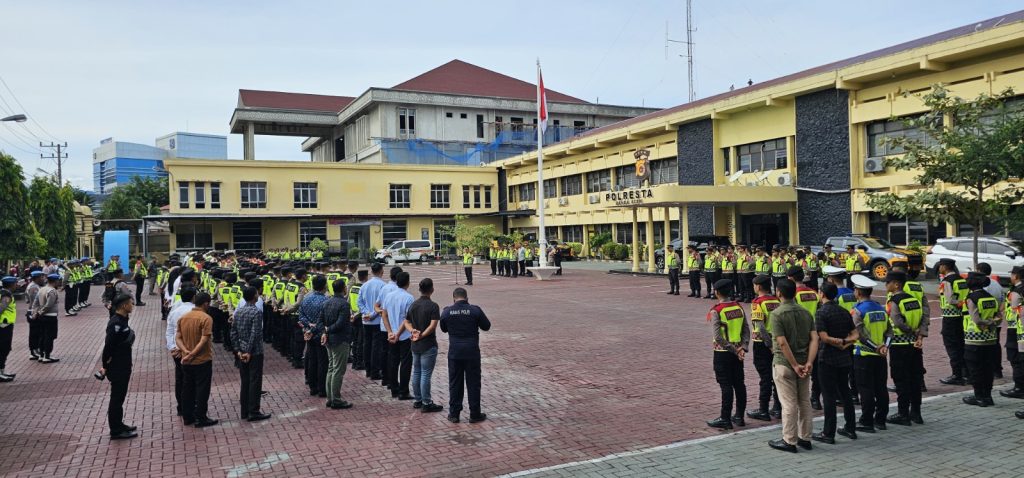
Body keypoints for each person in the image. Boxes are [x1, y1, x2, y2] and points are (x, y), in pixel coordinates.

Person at [767, 278, 818, 454]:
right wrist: (809, 362)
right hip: (805, 362)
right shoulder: (805, 313)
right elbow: (814, 339)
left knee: (788, 403)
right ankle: (806, 437)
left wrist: (794, 364)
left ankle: (789, 440)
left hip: (785, 364)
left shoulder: (777, 314)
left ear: (779, 293)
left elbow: (781, 342)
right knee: (804, 401)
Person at [811, 282, 858, 444]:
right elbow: (855, 334)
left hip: (827, 358)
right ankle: (850, 428)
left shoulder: (821, 312)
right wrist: (845, 342)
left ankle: (828, 432)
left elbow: (823, 337)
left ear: (822, 294)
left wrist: (837, 341)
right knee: (845, 392)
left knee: (829, 396)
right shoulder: (844, 311)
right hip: (844, 358)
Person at [441, 287, 491, 423]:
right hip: (472, 352)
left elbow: (443, 329)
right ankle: (475, 413)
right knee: (474, 383)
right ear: (467, 298)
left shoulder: (447, 312)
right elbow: (486, 326)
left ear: (453, 298)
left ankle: (454, 414)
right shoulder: (475, 310)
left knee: (455, 383)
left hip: (455, 352)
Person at [849, 274, 892, 432]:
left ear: (858, 292)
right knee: (881, 387)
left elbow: (859, 334)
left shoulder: (857, 311)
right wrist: (884, 347)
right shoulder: (880, 308)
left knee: (865, 388)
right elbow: (889, 332)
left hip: (864, 355)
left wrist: (876, 347)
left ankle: (866, 421)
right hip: (881, 356)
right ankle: (880, 420)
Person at [884, 270, 927, 425]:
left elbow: (897, 322)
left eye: (887, 282)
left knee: (901, 379)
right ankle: (916, 412)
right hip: (915, 345)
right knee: (915, 379)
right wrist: (919, 334)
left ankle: (903, 414)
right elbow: (923, 318)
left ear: (896, 284)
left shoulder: (895, 301)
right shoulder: (913, 300)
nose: (885, 285)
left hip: (899, 345)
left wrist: (910, 330)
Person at [706, 279, 749, 430]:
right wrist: (742, 348)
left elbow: (718, 337)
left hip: (723, 352)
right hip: (738, 353)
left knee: (726, 385)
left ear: (717, 292)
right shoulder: (738, 307)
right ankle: (739, 416)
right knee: (739, 383)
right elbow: (746, 330)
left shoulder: (717, 311)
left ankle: (725, 417)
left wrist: (733, 349)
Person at [176, 291, 218, 428]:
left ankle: (187, 417)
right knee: (202, 389)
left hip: (186, 361)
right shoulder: (206, 318)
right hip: (202, 360)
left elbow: (178, 337)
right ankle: (201, 417)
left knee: (187, 388)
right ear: (206, 303)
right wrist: (192, 354)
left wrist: (185, 351)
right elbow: (204, 340)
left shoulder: (183, 318)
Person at [961, 272, 1003, 407]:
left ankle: (979, 397)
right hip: (990, 339)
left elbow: (976, 320)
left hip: (974, 340)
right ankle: (988, 396)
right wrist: (992, 323)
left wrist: (986, 323)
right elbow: (998, 316)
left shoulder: (971, 298)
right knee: (987, 369)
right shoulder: (990, 297)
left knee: (975, 369)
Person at [101, 293, 138, 439]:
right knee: (116, 398)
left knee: (120, 397)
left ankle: (119, 424)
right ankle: (115, 430)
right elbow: (108, 346)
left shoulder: (123, 320)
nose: (132, 305)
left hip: (123, 363)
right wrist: (105, 365)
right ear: (123, 305)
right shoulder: (115, 323)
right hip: (117, 366)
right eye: (130, 303)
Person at [404, 278, 444, 413]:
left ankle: (418, 400)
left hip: (415, 343)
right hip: (428, 343)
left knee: (416, 371)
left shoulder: (414, 305)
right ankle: (427, 402)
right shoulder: (433, 306)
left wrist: (413, 332)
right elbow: (432, 326)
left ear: (420, 289)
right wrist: (422, 335)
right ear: (431, 290)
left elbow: (406, 322)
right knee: (426, 374)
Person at [232, 286, 271, 420]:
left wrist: (238, 350)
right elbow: (255, 333)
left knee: (245, 380)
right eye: (256, 293)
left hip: (241, 351)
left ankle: (244, 411)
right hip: (254, 352)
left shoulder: (239, 312)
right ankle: (253, 411)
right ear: (254, 296)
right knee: (255, 381)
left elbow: (234, 332)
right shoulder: (256, 312)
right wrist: (248, 351)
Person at [746, 275, 780, 422]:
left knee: (765, 378)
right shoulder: (776, 300)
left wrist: (769, 345)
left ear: (758, 287)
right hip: (778, 340)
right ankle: (778, 407)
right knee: (777, 376)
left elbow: (760, 327)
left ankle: (763, 410)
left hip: (763, 344)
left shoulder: (757, 303)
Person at [318, 278, 354, 410]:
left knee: (332, 368)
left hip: (329, 339)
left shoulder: (326, 302)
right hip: (340, 339)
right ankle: (336, 399)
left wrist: (325, 331)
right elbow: (341, 323)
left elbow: (320, 320)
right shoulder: (344, 304)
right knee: (338, 369)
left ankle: (330, 398)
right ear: (344, 288)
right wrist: (328, 329)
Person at [381, 271, 414, 400]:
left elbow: (384, 314)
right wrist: (398, 334)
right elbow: (407, 319)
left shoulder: (389, 296)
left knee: (393, 361)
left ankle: (394, 388)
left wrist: (390, 332)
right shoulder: (409, 298)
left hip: (391, 334)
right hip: (404, 335)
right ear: (407, 282)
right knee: (405, 363)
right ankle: (403, 391)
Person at [937, 258, 970, 385]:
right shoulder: (961, 279)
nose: (940, 268)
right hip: (962, 317)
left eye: (940, 266)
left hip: (950, 318)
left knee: (952, 347)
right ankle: (966, 373)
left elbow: (950, 300)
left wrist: (959, 303)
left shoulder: (946, 281)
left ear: (945, 267)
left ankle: (957, 375)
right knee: (961, 345)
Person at [166, 286, 196, 418]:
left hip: (177, 350)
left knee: (180, 378)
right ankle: (190, 407)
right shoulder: (194, 311)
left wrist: (172, 347)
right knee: (191, 380)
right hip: (190, 350)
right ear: (193, 296)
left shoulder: (175, 310)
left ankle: (181, 407)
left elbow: (170, 331)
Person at [299, 275, 329, 398]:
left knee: (312, 361)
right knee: (323, 362)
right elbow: (325, 320)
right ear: (324, 286)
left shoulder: (305, 299)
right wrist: (315, 327)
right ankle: (322, 389)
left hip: (309, 335)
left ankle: (313, 387)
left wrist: (308, 327)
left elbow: (301, 316)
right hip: (321, 334)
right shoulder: (326, 301)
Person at [358, 263, 386, 381]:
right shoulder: (383, 286)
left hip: (366, 321)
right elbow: (383, 304)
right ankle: (375, 371)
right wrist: (373, 315)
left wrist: (366, 313)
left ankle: (368, 370)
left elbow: (359, 302)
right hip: (377, 320)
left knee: (367, 345)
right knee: (376, 347)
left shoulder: (364, 285)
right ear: (381, 271)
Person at [1003, 266, 1024, 399]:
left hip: (1015, 329)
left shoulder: (1017, 291)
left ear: (1016, 276)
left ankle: (1019, 388)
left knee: (1016, 359)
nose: (1010, 277)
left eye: (1012, 275)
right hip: (1020, 329)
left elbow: (1015, 310)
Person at [33, 274, 62, 363]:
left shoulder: (42, 289)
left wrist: (35, 312)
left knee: (42, 336)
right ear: (55, 281)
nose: (59, 283)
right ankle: (47, 356)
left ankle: (41, 355)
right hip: (50, 316)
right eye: (58, 281)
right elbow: (49, 305)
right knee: (49, 336)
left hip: (42, 317)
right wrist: (41, 312)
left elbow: (36, 303)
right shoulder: (52, 291)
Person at [0, 276, 18, 382]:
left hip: (5, 325)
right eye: (15, 283)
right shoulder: (6, 295)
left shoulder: (4, 293)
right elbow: (1, 308)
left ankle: (2, 371)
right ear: (11, 285)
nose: (17, 285)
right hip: (4, 325)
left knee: (5, 348)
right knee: (3, 348)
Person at [25, 271, 45, 362]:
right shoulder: (33, 287)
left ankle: (35, 349)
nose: (43, 279)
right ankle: (33, 351)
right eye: (41, 277)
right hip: (33, 312)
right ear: (36, 278)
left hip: (35, 311)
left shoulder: (36, 286)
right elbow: (34, 302)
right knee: (34, 333)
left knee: (37, 332)